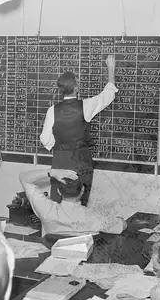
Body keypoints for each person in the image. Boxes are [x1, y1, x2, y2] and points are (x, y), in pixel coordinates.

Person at [39, 55, 117, 205]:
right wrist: (111, 67)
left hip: (60, 161)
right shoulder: (86, 106)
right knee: (80, 203)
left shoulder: (52, 110)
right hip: (81, 161)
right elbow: (108, 94)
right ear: (76, 88)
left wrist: (61, 146)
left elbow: (45, 139)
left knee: (57, 204)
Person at [18, 168, 126, 236]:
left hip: (52, 261)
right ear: (82, 191)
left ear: (59, 191)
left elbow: (24, 177)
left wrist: (52, 172)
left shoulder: (46, 210)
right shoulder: (94, 217)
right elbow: (121, 225)